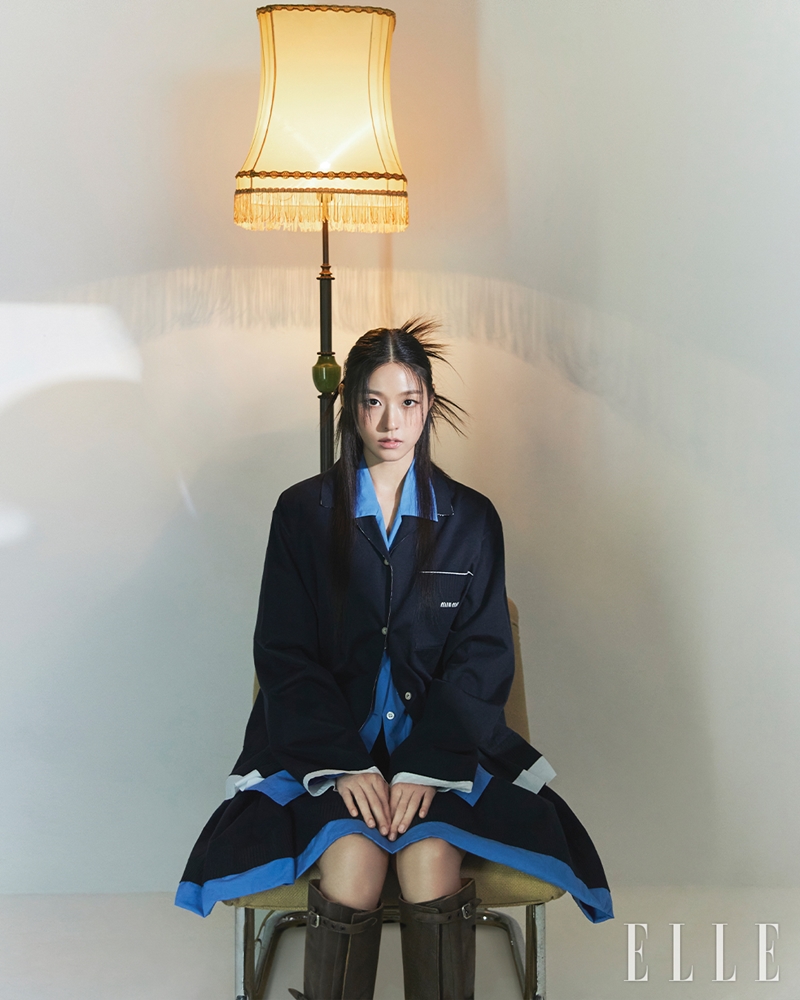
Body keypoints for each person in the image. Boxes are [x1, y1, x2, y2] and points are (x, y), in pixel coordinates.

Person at [175, 320, 613, 1000]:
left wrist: (425, 765)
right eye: (373, 402)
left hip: (444, 749)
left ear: (428, 405)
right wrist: (343, 763)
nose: (390, 422)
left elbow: (481, 657)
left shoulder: (471, 517)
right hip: (324, 750)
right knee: (353, 863)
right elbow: (284, 652)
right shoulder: (301, 513)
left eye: (407, 402)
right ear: (351, 406)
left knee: (430, 857)